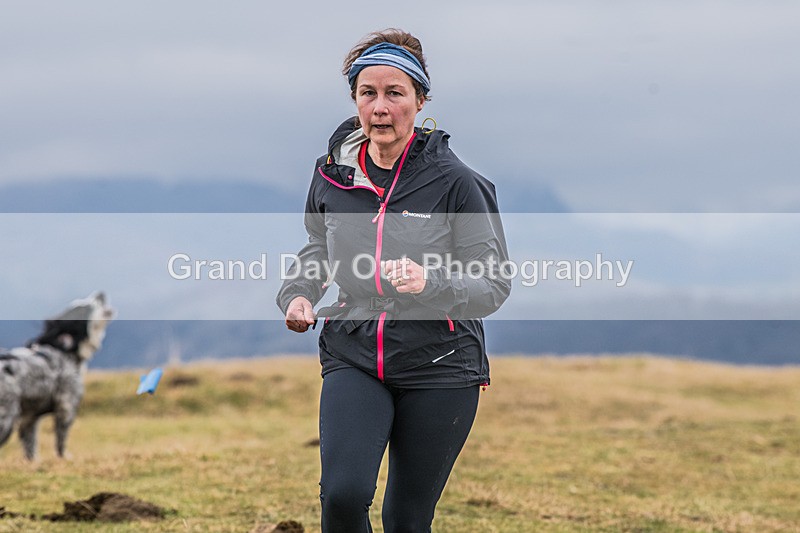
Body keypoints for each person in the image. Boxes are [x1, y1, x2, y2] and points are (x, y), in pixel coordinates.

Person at [277, 28, 510, 532]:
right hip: (354, 351)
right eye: (368, 93)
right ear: (355, 101)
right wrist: (298, 293)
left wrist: (432, 283)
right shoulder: (332, 176)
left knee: (406, 519)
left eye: (395, 93)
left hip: (441, 364)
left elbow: (492, 284)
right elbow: (318, 248)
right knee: (342, 496)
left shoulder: (458, 183)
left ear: (420, 100)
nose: (380, 107)